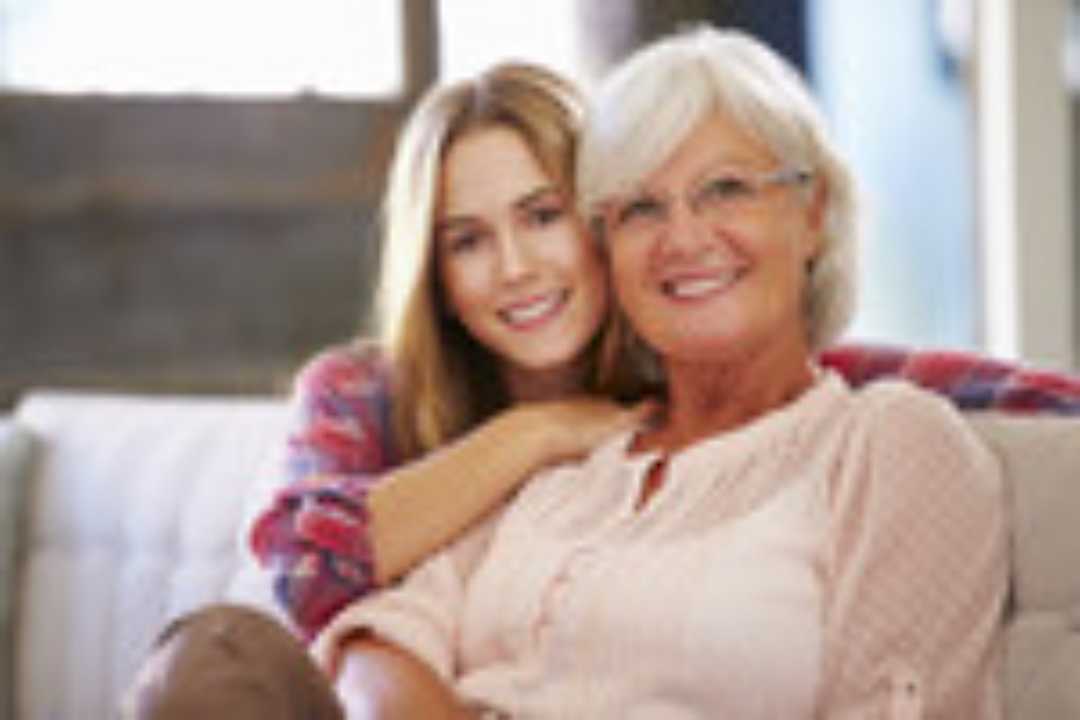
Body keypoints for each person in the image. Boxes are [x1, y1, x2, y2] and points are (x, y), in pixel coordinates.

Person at [307, 26, 1007, 718]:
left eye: (726, 189)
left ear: (813, 211)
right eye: (642, 207)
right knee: (223, 651)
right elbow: (380, 642)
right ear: (607, 247)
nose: (684, 239)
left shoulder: (886, 442)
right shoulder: (574, 458)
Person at [248, 61, 654, 642]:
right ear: (435, 277)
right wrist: (535, 433)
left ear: (605, 218)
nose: (515, 268)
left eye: (542, 216)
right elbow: (303, 573)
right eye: (467, 242)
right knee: (211, 650)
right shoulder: (359, 390)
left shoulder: (680, 372)